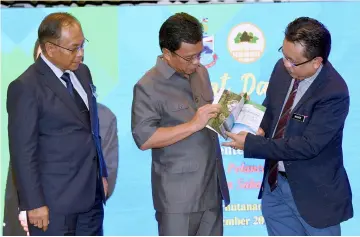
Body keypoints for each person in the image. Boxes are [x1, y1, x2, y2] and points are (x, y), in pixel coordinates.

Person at [222, 17, 353, 235]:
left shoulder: (333, 92)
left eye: (293, 61)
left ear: (316, 62)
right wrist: (255, 124)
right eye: (284, 55)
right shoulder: (282, 69)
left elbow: (307, 146)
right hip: (275, 189)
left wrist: (253, 144)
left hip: (314, 197)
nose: (286, 64)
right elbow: (272, 109)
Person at [6, 12, 108, 236]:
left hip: (91, 200)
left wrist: (101, 173)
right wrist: (33, 204)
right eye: (74, 48)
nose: (80, 54)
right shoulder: (25, 87)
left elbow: (90, 130)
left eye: (82, 45)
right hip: (53, 207)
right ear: (50, 49)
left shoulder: (83, 73)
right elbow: (23, 151)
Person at [131, 12, 230, 236]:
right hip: (178, 199)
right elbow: (145, 138)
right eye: (189, 58)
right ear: (167, 53)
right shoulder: (148, 85)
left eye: (200, 54)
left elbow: (208, 123)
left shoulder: (201, 73)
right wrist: (193, 124)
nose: (196, 63)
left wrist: (228, 119)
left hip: (212, 190)